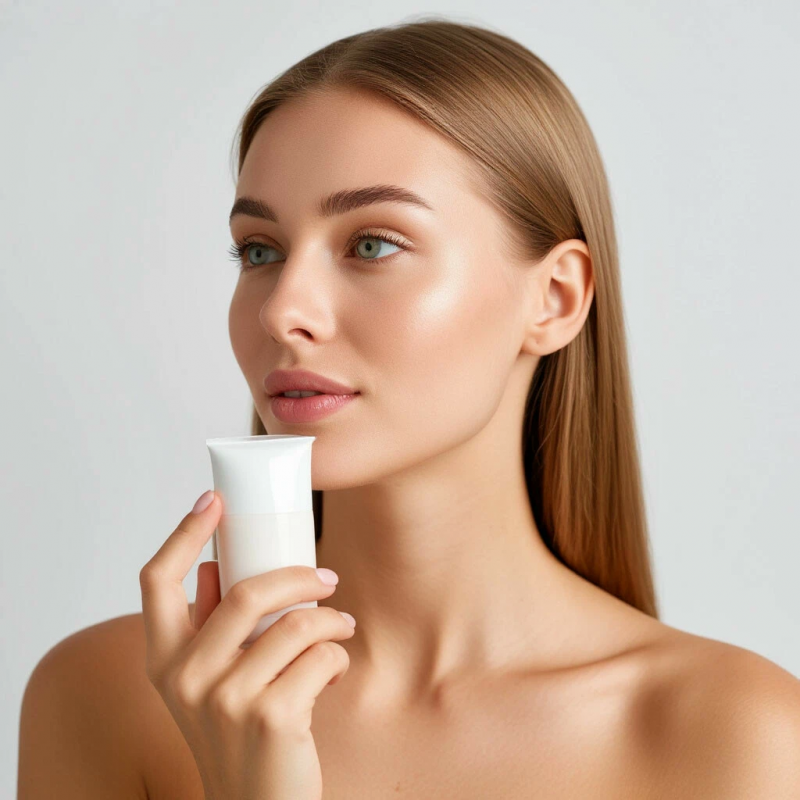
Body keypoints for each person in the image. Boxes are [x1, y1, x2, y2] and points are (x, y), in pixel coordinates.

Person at [18, 17, 800, 799]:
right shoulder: (109, 698)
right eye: (261, 250)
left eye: (373, 244)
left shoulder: (738, 736)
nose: (282, 310)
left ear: (555, 299)